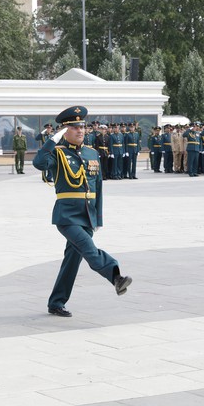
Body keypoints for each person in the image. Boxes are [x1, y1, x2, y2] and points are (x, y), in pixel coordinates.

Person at [33, 105, 132, 318]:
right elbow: (39, 163)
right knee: (89, 250)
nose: (80, 131)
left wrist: (98, 218)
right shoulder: (57, 153)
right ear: (64, 130)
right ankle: (116, 276)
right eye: (74, 127)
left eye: (82, 127)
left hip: (87, 215)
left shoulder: (91, 153)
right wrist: (52, 140)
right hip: (67, 216)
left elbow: (98, 189)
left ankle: (56, 302)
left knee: (72, 261)